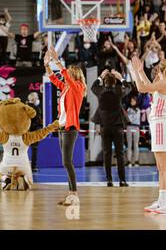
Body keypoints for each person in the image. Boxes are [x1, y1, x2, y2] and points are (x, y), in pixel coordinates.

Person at [132, 57, 166, 213]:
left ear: (161, 70)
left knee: (165, 166)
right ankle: (162, 198)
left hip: (162, 124)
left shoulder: (165, 84)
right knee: (160, 166)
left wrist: (136, 72)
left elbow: (143, 88)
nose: (155, 72)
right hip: (158, 125)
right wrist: (140, 71)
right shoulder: (162, 84)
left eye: (157, 69)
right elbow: (147, 85)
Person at [44, 47, 86, 206]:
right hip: (62, 128)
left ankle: (75, 195)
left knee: (67, 162)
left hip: (70, 129)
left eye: (69, 71)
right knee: (66, 162)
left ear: (75, 74)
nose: (66, 72)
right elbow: (55, 80)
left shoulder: (78, 88)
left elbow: (65, 77)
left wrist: (57, 61)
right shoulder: (67, 88)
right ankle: (71, 195)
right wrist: (47, 65)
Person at [91, 69, 131, 187]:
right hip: (117, 126)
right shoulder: (118, 90)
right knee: (120, 154)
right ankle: (122, 180)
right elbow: (129, 87)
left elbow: (93, 86)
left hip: (105, 127)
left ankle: (109, 180)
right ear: (115, 82)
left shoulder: (100, 91)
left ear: (104, 82)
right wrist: (121, 77)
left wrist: (100, 76)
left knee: (107, 154)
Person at [26, 92, 42, 172]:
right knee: (34, 149)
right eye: (36, 97)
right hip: (34, 130)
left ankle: (25, 166)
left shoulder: (25, 107)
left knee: (24, 149)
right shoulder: (35, 108)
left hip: (26, 130)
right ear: (34, 99)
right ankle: (34, 166)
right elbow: (37, 121)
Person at [126, 96, 141, 167]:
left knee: (136, 144)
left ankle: (136, 161)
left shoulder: (138, 110)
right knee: (129, 144)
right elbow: (128, 119)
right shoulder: (128, 109)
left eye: (134, 101)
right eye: (131, 101)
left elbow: (136, 119)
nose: (132, 102)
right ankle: (129, 161)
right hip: (129, 127)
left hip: (136, 127)